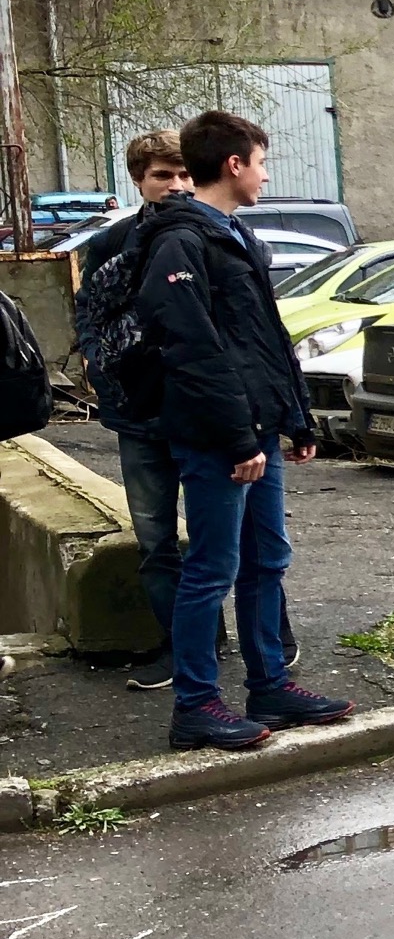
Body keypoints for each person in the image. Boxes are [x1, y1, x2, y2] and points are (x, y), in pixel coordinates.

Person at [126, 110, 351, 749]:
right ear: (234, 165)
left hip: (256, 429)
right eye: (261, 162)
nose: (266, 175)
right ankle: (196, 705)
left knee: (266, 560)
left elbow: (264, 339)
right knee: (211, 568)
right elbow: (193, 349)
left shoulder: (233, 235)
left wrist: (295, 418)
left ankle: (270, 685)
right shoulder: (181, 241)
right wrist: (238, 437)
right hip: (220, 437)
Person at [78, 132, 216, 692]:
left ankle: (269, 640)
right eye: (163, 175)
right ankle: (178, 649)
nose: (176, 186)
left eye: (185, 175)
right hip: (138, 414)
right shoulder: (113, 241)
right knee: (155, 540)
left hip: (201, 411)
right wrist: (99, 365)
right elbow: (89, 309)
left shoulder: (212, 232)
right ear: (139, 179)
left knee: (228, 535)